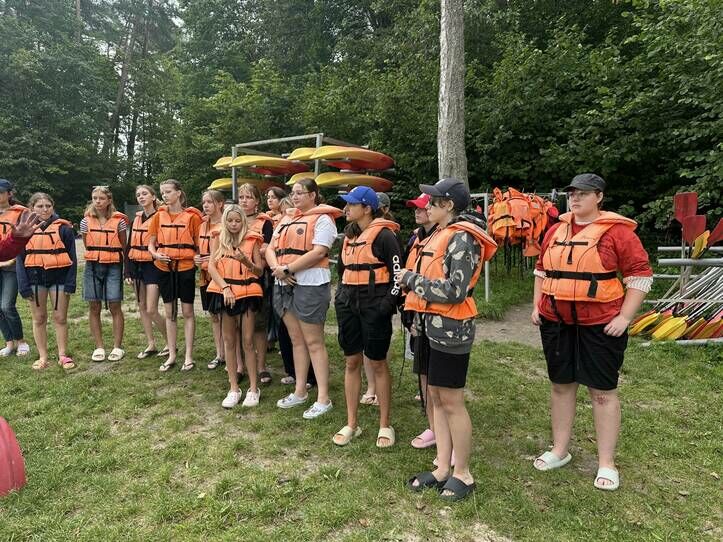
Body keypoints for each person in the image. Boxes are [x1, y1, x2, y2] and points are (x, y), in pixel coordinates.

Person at [530, 174, 652, 491]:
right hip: (557, 322)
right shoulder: (555, 230)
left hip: (601, 324)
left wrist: (625, 317)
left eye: (583, 193)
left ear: (599, 196)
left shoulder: (617, 233)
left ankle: (606, 463)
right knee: (561, 386)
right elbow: (541, 271)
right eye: (572, 193)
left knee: (602, 391)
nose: (575, 198)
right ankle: (560, 450)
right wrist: (537, 306)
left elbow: (640, 276)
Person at [398, 178, 497, 502]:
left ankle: (463, 473)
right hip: (429, 325)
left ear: (449, 205)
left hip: (452, 328)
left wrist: (411, 279)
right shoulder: (439, 234)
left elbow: (456, 290)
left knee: (452, 401)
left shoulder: (463, 238)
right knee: (436, 397)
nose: (427, 206)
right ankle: (442, 467)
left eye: (433, 201)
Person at [266, 178, 342, 419]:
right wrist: (278, 269)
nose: (295, 196)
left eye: (300, 192)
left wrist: (288, 269)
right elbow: (270, 248)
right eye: (293, 192)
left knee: (314, 342)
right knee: (296, 340)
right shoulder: (286, 218)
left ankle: (323, 398)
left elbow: (319, 251)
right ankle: (300, 391)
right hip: (283, 283)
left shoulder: (323, 219)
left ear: (313, 195)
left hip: (310, 284)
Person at [332, 187, 401, 448]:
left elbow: (398, 276)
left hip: (375, 305)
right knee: (351, 361)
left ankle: (385, 424)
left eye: (352, 204)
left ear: (367, 208)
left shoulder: (385, 236)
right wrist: (341, 298)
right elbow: (342, 272)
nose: (346, 208)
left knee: (378, 362)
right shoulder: (348, 237)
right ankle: (352, 423)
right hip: (348, 303)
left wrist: (386, 305)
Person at [207, 204, 265, 408]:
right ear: (225, 221)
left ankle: (253, 389)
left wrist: (246, 262)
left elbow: (259, 271)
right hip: (226, 294)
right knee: (229, 342)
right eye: (230, 220)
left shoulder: (253, 240)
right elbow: (211, 266)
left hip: (247, 295)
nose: (234, 224)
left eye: (237, 221)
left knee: (247, 342)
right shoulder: (218, 238)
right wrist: (225, 288)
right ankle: (233, 388)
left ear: (243, 222)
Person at [147, 179, 203, 372]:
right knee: (170, 312)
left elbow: (199, 245)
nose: (165, 195)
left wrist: (198, 258)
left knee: (187, 312)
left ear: (178, 193)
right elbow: (151, 243)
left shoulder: (192, 217)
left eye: (168, 191)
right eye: (163, 192)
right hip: (164, 268)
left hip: (186, 267)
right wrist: (156, 254)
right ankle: (172, 354)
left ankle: (188, 356)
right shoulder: (158, 216)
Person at [16, 193, 77, 369]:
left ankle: (63, 355)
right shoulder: (25, 229)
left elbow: (72, 257)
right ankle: (43, 357)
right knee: (39, 318)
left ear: (53, 207)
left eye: (48, 206)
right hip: (35, 280)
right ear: (32, 208)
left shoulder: (64, 229)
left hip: (59, 279)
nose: (45, 209)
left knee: (60, 318)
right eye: (40, 206)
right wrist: (23, 286)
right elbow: (20, 260)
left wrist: (70, 283)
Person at [402, 193, 440, 450]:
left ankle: (440, 428)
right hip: (415, 310)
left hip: (437, 314)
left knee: (437, 375)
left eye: (422, 208)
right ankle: (432, 425)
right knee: (423, 369)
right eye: (415, 208)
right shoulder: (415, 237)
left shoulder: (444, 237)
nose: (417, 211)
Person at [81, 185, 128, 362]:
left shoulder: (119, 221)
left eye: (101, 198)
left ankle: (117, 347)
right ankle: (99, 347)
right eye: (95, 198)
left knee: (115, 305)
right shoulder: (85, 221)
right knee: (94, 306)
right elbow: (86, 243)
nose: (98, 201)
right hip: (92, 265)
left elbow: (124, 245)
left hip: (114, 265)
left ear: (109, 200)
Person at [126, 185, 168, 359]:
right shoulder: (135, 219)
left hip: (153, 266)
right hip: (136, 265)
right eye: (138, 195)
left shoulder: (161, 217)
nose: (141, 197)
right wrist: (127, 271)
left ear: (153, 197)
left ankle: (170, 342)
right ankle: (151, 343)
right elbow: (129, 246)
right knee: (142, 306)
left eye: (145, 194)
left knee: (151, 309)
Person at [239, 183, 274, 384]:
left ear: (257, 201)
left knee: (259, 324)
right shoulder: (232, 219)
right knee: (236, 324)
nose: (244, 201)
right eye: (241, 197)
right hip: (234, 278)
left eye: (249, 197)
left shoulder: (265, 223)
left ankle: (261, 366)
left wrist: (250, 253)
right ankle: (240, 366)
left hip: (258, 278)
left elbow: (266, 249)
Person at [0, 179, 31, 358]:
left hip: (12, 264)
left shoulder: (21, 212)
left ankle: (21, 341)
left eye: (1, 192)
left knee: (7, 306)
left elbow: (25, 238)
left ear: (10, 193)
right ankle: (9, 342)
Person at [196, 190, 226, 369]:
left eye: (209, 202)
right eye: (204, 202)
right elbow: (198, 249)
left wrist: (213, 259)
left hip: (222, 276)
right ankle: (219, 353)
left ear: (220, 204)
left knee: (225, 317)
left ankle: (232, 353)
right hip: (205, 276)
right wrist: (197, 258)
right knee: (213, 315)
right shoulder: (202, 225)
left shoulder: (228, 223)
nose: (205, 205)